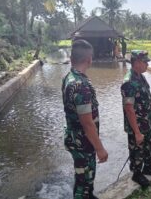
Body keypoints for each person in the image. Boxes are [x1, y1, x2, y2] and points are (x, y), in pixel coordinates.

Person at [62, 39, 108, 199]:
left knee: (84, 176)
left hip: (76, 138)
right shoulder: (81, 85)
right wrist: (100, 148)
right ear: (89, 59)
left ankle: (89, 194)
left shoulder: (69, 77)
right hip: (83, 141)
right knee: (83, 179)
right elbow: (87, 123)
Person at [121, 50, 151, 188]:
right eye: (145, 62)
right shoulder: (129, 81)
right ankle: (137, 174)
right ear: (137, 62)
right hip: (136, 126)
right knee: (137, 151)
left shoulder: (141, 77)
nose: (147, 65)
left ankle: (148, 167)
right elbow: (129, 109)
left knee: (149, 145)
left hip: (146, 122)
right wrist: (137, 132)